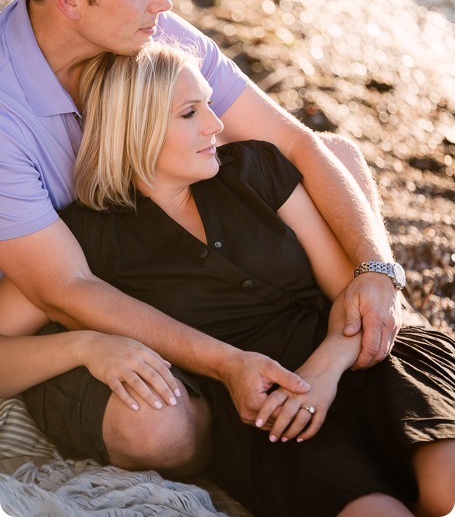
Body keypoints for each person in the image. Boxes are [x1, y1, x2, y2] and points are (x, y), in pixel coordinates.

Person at [0, 0, 404, 473]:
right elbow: (64, 288)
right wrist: (224, 363)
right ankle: (248, 447)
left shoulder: (151, 29)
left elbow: (297, 142)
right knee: (158, 428)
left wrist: (376, 267)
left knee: (337, 156)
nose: (162, 4)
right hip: (46, 289)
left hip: (166, 256)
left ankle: (358, 337)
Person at [28, 42, 454, 517]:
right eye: (191, 112)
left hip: (362, 361)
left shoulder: (254, 170)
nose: (216, 124)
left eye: (209, 104)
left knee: (445, 491)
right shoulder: (87, 239)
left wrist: (324, 373)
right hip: (275, 422)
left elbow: (348, 292)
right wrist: (83, 346)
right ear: (135, 128)